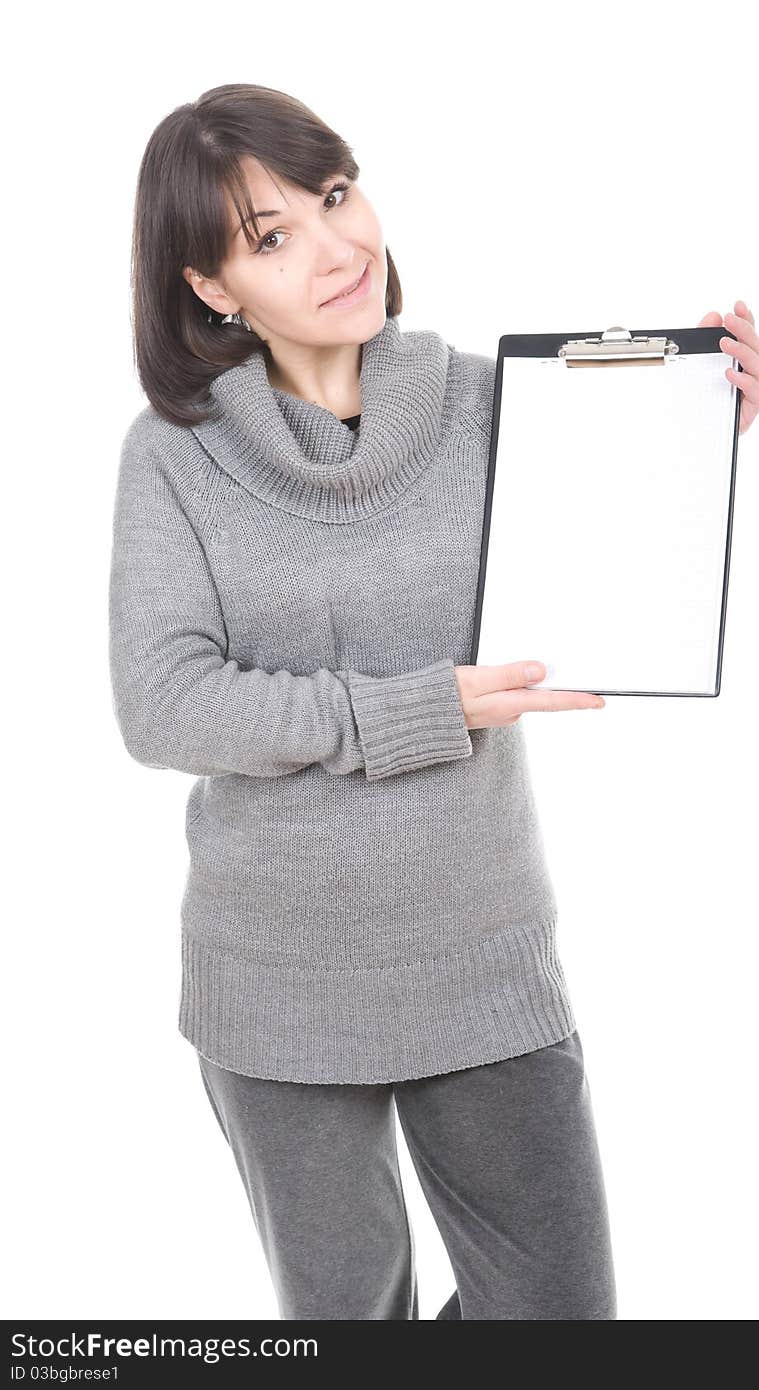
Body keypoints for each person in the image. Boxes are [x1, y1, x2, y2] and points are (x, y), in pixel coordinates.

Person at [108, 81, 616, 1321]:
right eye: (271, 236)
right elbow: (164, 704)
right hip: (278, 980)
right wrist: (410, 710)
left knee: (558, 1315)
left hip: (482, 951)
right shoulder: (173, 454)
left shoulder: (492, 400)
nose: (337, 248)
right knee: (346, 1324)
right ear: (211, 288)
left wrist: (702, 431)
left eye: (334, 197)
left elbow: (613, 550)